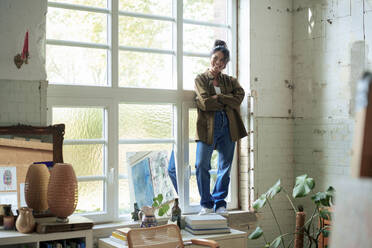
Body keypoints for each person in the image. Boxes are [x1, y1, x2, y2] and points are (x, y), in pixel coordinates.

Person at [194, 40, 247, 215]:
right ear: (210, 57)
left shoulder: (230, 80)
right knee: (201, 164)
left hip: (228, 126)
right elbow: (205, 103)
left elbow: (238, 98)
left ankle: (219, 202)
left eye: (222, 60)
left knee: (225, 166)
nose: (218, 62)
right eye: (215, 58)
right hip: (208, 126)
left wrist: (219, 98)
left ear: (226, 64)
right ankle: (206, 204)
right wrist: (226, 100)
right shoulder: (200, 79)